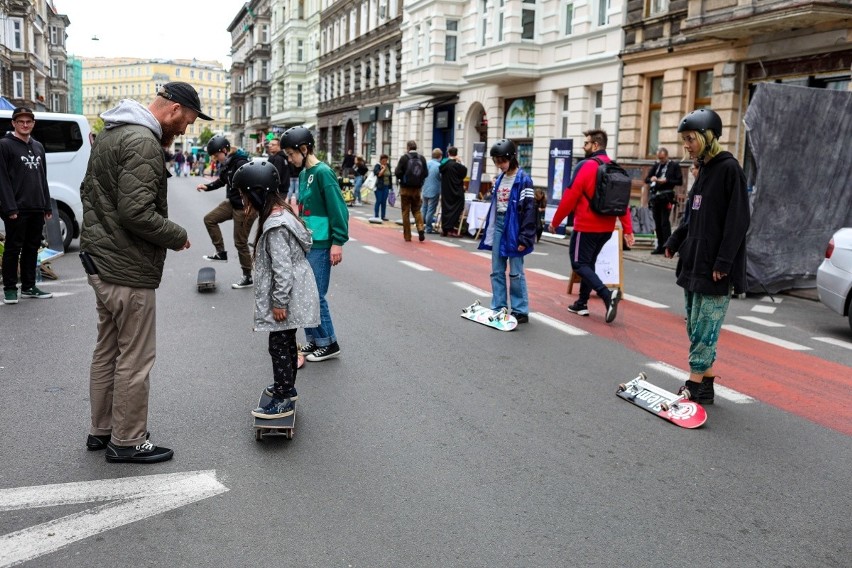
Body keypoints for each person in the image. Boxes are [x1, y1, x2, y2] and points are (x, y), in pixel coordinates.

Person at [80, 81, 205, 463]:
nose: (185, 129)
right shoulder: (144, 142)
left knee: (107, 349)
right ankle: (129, 440)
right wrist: (177, 235)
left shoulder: (113, 133)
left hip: (102, 260)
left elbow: (91, 191)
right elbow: (135, 213)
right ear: (173, 109)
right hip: (126, 268)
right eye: (187, 121)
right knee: (134, 356)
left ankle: (103, 431)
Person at [664, 108, 749, 405]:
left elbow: (738, 222)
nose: (686, 145)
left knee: (704, 329)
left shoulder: (729, 170)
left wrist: (724, 263)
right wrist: (675, 240)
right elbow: (693, 216)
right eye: (684, 139)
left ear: (706, 136)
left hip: (715, 268)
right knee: (694, 327)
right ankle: (707, 387)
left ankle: (692, 384)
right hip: (694, 263)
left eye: (690, 139)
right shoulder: (704, 170)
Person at [230, 158, 319, 419]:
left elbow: (282, 269)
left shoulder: (275, 226)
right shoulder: (281, 214)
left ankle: (282, 397)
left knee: (278, 345)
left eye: (245, 195)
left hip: (288, 295)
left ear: (257, 193)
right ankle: (287, 387)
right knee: (287, 341)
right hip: (296, 292)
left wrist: (279, 302)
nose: (244, 201)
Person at [547, 129, 636, 323]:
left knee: (579, 263)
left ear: (595, 145)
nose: (583, 146)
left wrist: (555, 222)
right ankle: (581, 303)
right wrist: (628, 230)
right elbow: (623, 203)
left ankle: (607, 295)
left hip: (586, 227)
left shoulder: (585, 166)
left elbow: (570, 196)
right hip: (607, 229)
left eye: (586, 143)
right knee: (590, 263)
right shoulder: (614, 167)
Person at [281, 125, 349, 362]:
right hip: (309, 241)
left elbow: (338, 209)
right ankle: (314, 341)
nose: (289, 159)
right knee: (305, 294)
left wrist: (338, 241)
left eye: (291, 154)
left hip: (322, 243)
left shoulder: (323, 173)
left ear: (303, 148)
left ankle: (329, 343)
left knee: (316, 295)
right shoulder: (303, 174)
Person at [477, 139, 537, 323]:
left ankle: (520, 309)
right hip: (500, 225)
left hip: (516, 226)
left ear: (511, 158)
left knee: (516, 271)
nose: (499, 165)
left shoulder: (523, 180)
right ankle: (499, 306)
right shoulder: (501, 179)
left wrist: (525, 237)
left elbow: (529, 210)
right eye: (496, 162)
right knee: (496, 269)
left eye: (502, 161)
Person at [0, 107, 53, 304]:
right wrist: (9, 207)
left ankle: (29, 286)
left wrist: (46, 205)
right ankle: (10, 289)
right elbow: (2, 179)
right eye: (20, 121)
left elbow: (43, 177)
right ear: (13, 123)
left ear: (33, 124)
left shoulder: (38, 146)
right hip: (16, 208)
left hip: (36, 206)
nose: (25, 125)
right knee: (13, 248)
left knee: (32, 248)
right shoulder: (4, 145)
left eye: (28, 121)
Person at [195, 135, 255, 289]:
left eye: (216, 155)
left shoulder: (241, 163)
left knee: (240, 242)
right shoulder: (227, 164)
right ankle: (220, 252)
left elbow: (255, 185)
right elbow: (222, 181)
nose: (215, 158)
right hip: (233, 203)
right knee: (209, 219)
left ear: (225, 150)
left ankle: (247, 276)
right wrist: (207, 187)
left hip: (245, 207)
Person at [645, 147, 683, 254]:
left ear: (666, 156)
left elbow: (679, 181)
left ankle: (667, 246)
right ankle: (660, 246)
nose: (661, 160)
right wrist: (652, 179)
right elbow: (646, 179)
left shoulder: (674, 166)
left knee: (664, 222)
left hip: (667, 196)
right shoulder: (657, 166)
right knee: (657, 222)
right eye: (659, 158)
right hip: (656, 197)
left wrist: (666, 181)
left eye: (662, 158)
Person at [394, 140, 428, 242]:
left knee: (405, 212)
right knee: (417, 210)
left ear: (408, 147)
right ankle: (421, 228)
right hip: (417, 189)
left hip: (405, 189)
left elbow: (398, 172)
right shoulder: (422, 158)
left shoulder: (404, 158)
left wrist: (402, 178)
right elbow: (426, 173)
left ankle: (407, 236)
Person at [439, 146, 467, 236]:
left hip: (446, 191)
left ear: (448, 153)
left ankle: (445, 229)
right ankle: (452, 228)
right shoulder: (457, 165)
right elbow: (464, 171)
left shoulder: (444, 164)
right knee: (457, 209)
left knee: (446, 209)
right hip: (456, 191)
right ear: (456, 154)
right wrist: (461, 161)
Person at [421, 148, 442, 233]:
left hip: (425, 189)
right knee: (431, 210)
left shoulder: (426, 164)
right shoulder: (439, 166)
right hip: (434, 190)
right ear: (440, 156)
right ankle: (428, 228)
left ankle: (421, 225)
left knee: (424, 208)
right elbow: (441, 178)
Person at [372, 154, 392, 221]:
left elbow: (390, 176)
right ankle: (376, 216)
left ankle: (383, 216)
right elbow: (379, 174)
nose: (385, 162)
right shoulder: (377, 166)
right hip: (379, 186)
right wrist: (383, 169)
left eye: (386, 160)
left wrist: (391, 186)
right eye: (383, 161)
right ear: (380, 160)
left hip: (386, 186)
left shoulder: (388, 166)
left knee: (384, 201)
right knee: (379, 201)